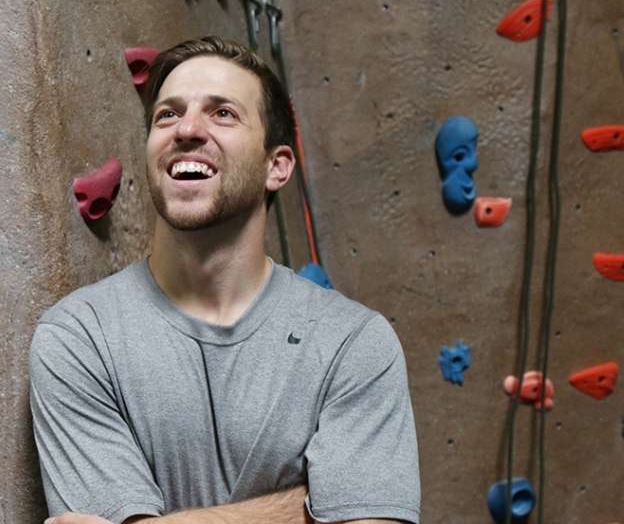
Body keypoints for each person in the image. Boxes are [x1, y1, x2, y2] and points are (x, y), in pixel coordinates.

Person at [29, 37, 420, 524]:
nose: (187, 129)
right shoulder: (79, 338)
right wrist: (305, 507)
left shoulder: (353, 344)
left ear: (276, 167)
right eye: (167, 115)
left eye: (223, 114)